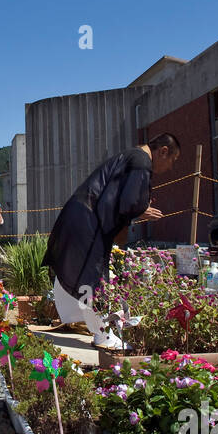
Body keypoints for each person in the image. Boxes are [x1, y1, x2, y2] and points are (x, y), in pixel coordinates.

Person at [43, 133, 180, 347]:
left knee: (80, 273)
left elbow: (118, 198)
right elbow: (129, 202)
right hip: (87, 219)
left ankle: (94, 328)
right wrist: (141, 209)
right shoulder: (142, 161)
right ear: (163, 151)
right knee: (92, 277)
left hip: (81, 215)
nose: (170, 167)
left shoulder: (132, 156)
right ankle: (103, 336)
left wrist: (136, 210)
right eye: (172, 160)